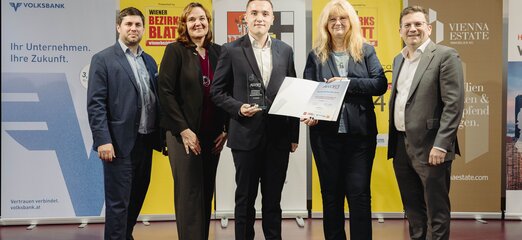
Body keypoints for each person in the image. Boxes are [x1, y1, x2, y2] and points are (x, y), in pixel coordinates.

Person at [210, 0, 299, 239]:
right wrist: (239, 108)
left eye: (265, 13)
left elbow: (293, 91)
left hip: (278, 138)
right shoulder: (230, 50)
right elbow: (217, 92)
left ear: (272, 19)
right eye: (254, 13)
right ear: (245, 18)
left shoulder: (285, 50)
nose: (260, 17)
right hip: (245, 136)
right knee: (245, 200)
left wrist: (294, 135)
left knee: (273, 201)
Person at [302, 0, 387, 239]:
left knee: (359, 194)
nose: (338, 23)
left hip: (360, 136)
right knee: (331, 195)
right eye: (332, 19)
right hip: (324, 136)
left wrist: (346, 83)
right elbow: (309, 91)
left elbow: (379, 84)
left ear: (351, 22)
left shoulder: (366, 50)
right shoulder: (315, 55)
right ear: (325, 25)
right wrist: (309, 113)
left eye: (343, 18)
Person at [388, 5, 464, 240]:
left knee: (436, 210)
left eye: (418, 24)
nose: (413, 29)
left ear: (429, 28)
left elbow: (454, 104)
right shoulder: (398, 59)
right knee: (413, 210)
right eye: (407, 25)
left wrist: (442, 144)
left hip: (432, 146)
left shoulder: (445, 55)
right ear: (400, 31)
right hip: (401, 145)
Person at [87, 7, 163, 240]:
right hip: (118, 144)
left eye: (138, 25)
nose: (133, 28)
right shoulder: (103, 59)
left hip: (145, 140)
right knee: (118, 203)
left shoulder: (149, 61)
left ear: (143, 28)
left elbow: (154, 98)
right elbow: (95, 104)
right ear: (118, 27)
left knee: (137, 197)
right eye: (128, 24)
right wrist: (103, 140)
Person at [157, 2, 228, 240]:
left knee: (206, 192)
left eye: (202, 19)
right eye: (192, 20)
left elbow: (228, 91)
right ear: (184, 25)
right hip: (182, 134)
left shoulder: (219, 52)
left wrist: (226, 130)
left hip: (212, 136)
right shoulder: (175, 50)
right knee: (189, 194)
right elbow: (165, 92)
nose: (198, 23)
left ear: (208, 23)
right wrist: (184, 130)